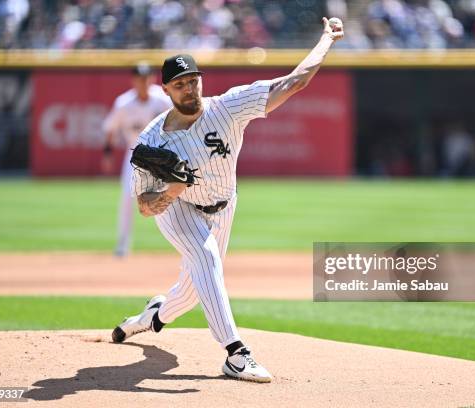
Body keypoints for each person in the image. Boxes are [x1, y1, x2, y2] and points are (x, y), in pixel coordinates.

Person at [111, 18, 344, 383]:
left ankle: (151, 316)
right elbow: (144, 205)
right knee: (205, 259)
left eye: (193, 80)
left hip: (223, 205)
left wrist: (326, 40)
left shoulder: (228, 106)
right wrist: (172, 187)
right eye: (180, 84)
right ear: (167, 90)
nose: (189, 89)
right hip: (180, 209)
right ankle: (235, 353)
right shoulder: (152, 140)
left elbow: (294, 82)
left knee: (189, 293)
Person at [102, 63, 172, 257]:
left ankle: (183, 244)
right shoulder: (123, 103)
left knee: (176, 196)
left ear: (152, 78)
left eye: (146, 77)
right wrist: (107, 152)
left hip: (162, 155)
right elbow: (110, 128)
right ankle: (123, 244)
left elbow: (179, 119)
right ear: (133, 80)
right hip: (135, 155)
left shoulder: (163, 99)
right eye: (140, 78)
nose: (143, 81)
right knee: (127, 198)